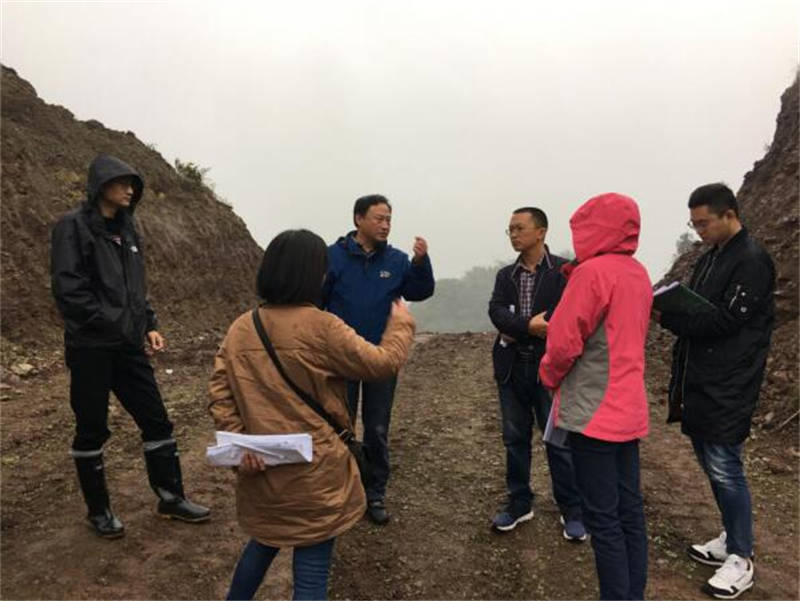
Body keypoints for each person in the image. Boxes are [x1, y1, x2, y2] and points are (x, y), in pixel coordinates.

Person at [209, 229, 415, 601]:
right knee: (311, 572)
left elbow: (220, 394)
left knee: (263, 543)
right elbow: (381, 365)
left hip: (261, 469)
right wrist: (400, 325)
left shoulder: (242, 327)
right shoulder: (322, 326)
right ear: (313, 274)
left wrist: (242, 447)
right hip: (316, 471)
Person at [50, 154, 210, 539]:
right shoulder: (73, 226)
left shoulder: (128, 229)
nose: (130, 190)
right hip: (90, 347)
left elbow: (135, 288)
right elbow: (69, 291)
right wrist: (120, 325)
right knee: (91, 428)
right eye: (122, 182)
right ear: (101, 185)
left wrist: (148, 324)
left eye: (133, 185)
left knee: (156, 419)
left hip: (127, 347)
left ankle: (171, 498)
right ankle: (98, 511)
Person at [657, 183, 774, 600]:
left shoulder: (752, 260)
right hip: (702, 378)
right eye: (694, 224)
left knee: (726, 467)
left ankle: (742, 556)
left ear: (729, 214)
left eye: (704, 223)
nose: (699, 231)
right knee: (710, 461)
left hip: (731, 381)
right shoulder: (712, 257)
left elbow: (726, 321)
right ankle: (731, 536)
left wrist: (669, 317)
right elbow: (701, 308)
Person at [539, 193, 652, 600]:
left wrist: (548, 377)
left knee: (602, 519)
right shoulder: (637, 272)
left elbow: (563, 343)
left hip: (593, 413)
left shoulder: (591, 274)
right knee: (630, 513)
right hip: (629, 410)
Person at [321, 194, 434, 525]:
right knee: (338, 424)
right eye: (379, 219)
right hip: (341, 357)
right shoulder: (332, 257)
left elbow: (419, 291)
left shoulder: (396, 260)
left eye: (389, 220)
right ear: (359, 219)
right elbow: (317, 301)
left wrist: (421, 262)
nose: (385, 225)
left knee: (377, 426)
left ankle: (375, 492)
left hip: (382, 356)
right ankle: (340, 490)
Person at [487, 207, 585, 539]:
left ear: (541, 231)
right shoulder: (506, 275)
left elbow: (567, 312)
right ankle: (519, 502)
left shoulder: (563, 271)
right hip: (512, 367)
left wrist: (521, 328)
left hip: (551, 367)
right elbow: (496, 311)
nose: (514, 235)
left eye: (519, 228)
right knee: (514, 438)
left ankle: (571, 508)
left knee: (558, 440)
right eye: (510, 229)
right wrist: (529, 326)